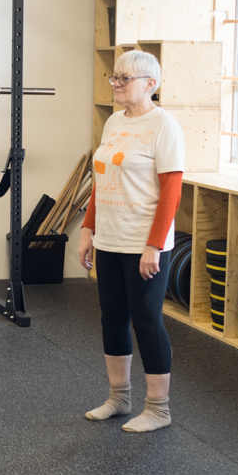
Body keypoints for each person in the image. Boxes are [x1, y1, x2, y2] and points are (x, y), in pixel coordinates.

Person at [77, 50, 185, 433]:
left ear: (151, 84)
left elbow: (172, 190)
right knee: (112, 318)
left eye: (125, 78)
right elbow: (101, 179)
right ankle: (119, 398)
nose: (116, 83)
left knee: (147, 320)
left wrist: (154, 245)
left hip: (144, 243)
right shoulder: (113, 123)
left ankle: (158, 408)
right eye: (115, 77)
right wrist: (89, 229)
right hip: (110, 238)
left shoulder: (163, 126)